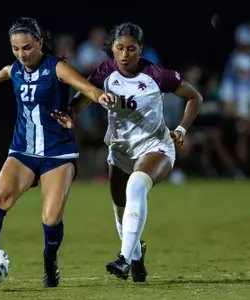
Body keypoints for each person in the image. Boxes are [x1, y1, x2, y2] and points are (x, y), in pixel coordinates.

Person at [0, 17, 116, 288]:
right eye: (15, 48)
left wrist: (101, 97)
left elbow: (85, 87)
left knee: (50, 218)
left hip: (57, 153)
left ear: (39, 43)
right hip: (23, 149)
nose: (21, 54)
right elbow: (6, 70)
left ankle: (50, 260)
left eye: (26, 48)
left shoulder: (56, 67)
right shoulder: (15, 68)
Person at [51, 22, 202, 282]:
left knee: (136, 186)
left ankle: (122, 259)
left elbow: (194, 97)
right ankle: (135, 255)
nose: (124, 54)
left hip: (156, 146)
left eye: (131, 49)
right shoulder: (105, 72)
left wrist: (181, 129)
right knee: (121, 208)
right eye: (119, 48)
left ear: (140, 50)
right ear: (112, 49)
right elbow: (84, 96)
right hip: (120, 150)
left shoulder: (158, 75)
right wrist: (70, 115)